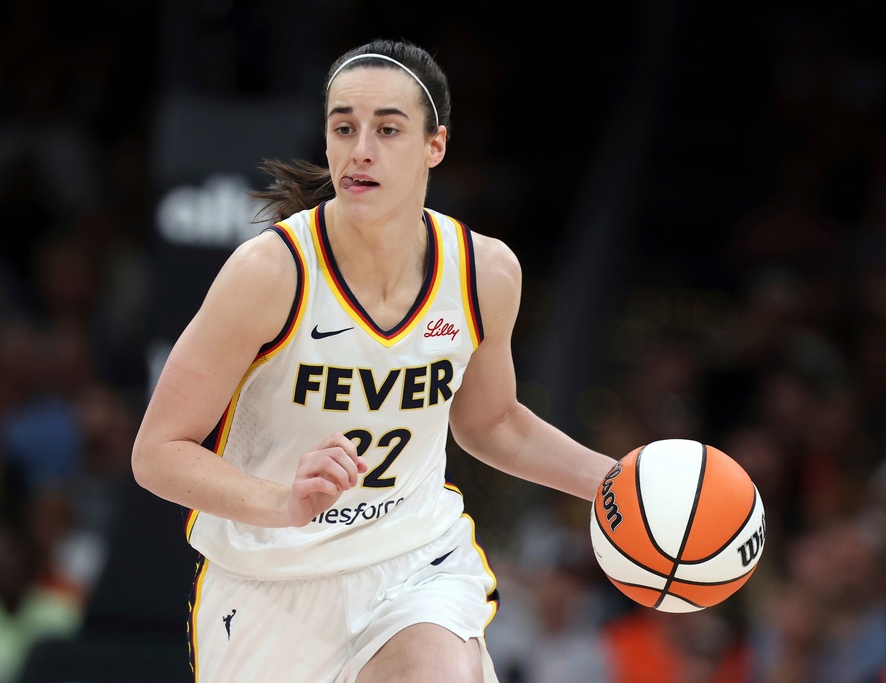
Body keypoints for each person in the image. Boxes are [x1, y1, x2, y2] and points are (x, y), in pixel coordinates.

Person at [131, 38, 617, 683]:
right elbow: (157, 451)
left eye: (388, 128)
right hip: (271, 579)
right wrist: (283, 501)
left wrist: (615, 485)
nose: (361, 148)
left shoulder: (484, 272)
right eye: (344, 127)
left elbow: (490, 421)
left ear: (434, 146)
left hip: (412, 562)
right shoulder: (270, 273)